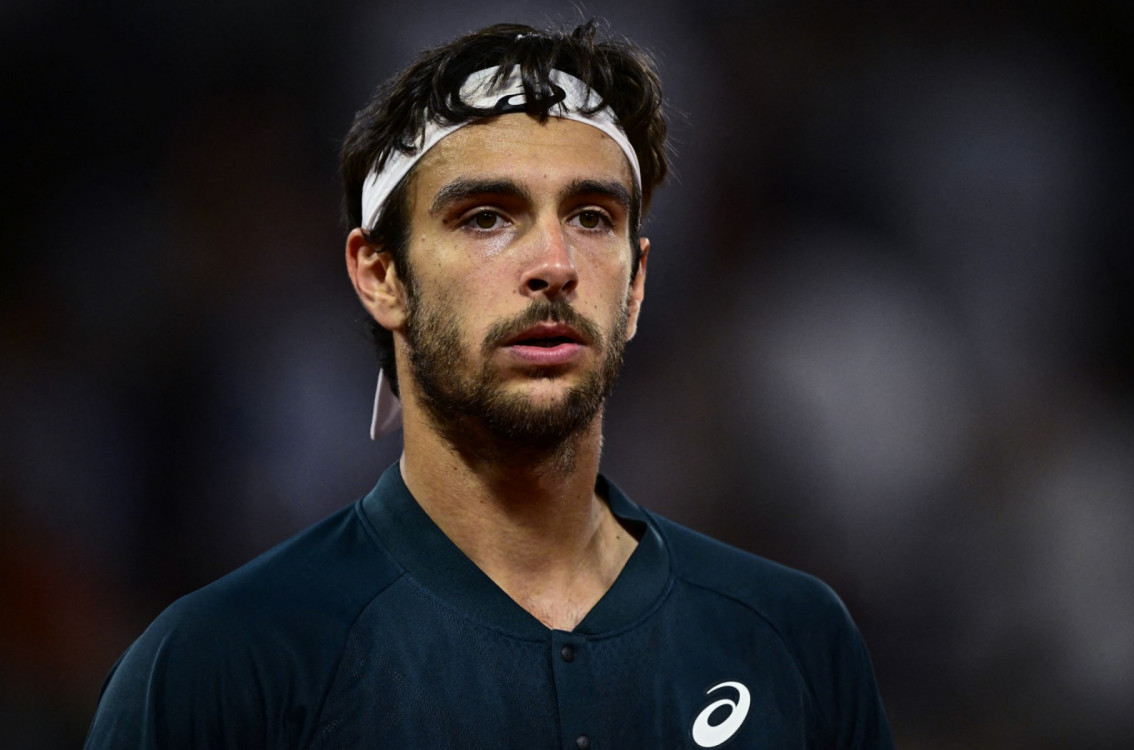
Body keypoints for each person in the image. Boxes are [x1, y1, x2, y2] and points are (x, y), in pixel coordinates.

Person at [84, 21, 894, 749]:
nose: (554, 265)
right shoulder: (224, 667)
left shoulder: (794, 641)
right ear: (381, 276)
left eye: (592, 217)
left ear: (637, 284)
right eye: (486, 217)